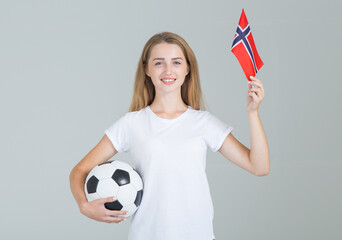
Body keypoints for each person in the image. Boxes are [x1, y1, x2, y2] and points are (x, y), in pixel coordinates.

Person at [69, 31, 270, 240]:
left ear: (187, 69)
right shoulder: (132, 123)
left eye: (176, 62)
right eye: (158, 63)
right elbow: (79, 170)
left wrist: (253, 112)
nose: (168, 70)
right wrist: (84, 205)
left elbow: (259, 166)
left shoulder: (204, 122)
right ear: (146, 69)